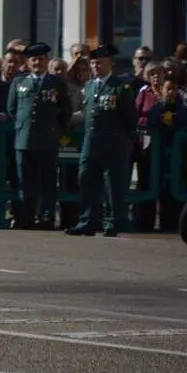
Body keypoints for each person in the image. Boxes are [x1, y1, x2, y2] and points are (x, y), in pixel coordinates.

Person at [67, 44, 137, 237]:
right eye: (93, 63)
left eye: (100, 62)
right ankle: (87, 221)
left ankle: (113, 222)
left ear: (110, 63)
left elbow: (130, 118)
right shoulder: (89, 86)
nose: (96, 66)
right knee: (86, 179)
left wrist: (127, 141)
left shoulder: (120, 86)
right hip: (92, 141)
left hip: (114, 142)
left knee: (113, 185)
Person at [6, 42, 72, 230]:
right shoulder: (19, 82)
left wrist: (53, 127)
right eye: (34, 59)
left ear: (46, 61)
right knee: (24, 181)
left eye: (41, 59)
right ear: (28, 62)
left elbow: (65, 110)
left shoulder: (56, 83)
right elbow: (11, 108)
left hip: (48, 139)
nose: (37, 63)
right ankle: (25, 216)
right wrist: (21, 126)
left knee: (48, 181)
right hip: (24, 138)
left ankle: (47, 216)